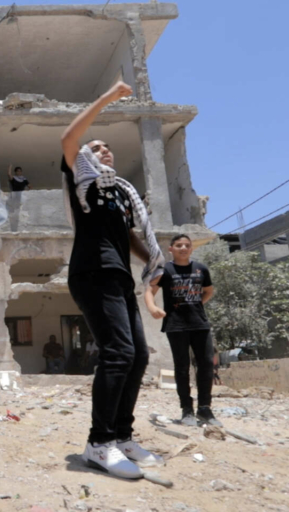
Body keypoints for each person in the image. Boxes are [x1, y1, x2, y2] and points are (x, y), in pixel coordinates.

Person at [61, 80, 166, 478]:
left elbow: (131, 237)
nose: (104, 149)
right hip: (92, 272)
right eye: (96, 146)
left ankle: (121, 436)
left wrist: (157, 261)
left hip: (119, 276)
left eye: (107, 146)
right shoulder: (82, 180)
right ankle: (99, 443)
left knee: (138, 355)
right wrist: (107, 98)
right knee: (118, 352)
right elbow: (69, 139)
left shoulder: (121, 192)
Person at [144, 234, 220, 427]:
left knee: (206, 364)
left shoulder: (201, 269)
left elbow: (208, 291)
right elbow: (150, 291)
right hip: (175, 325)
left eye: (187, 245)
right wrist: (152, 308)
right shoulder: (165, 270)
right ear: (171, 249)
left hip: (200, 323)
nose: (183, 248)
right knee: (182, 367)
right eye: (179, 245)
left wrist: (196, 305)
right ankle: (187, 409)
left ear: (191, 249)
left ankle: (205, 409)